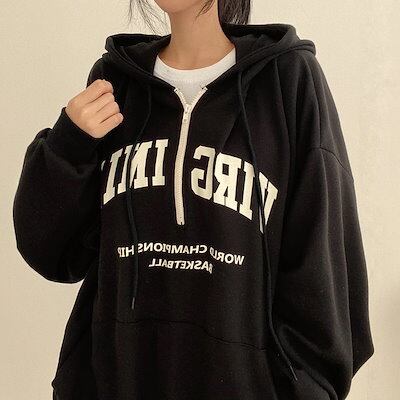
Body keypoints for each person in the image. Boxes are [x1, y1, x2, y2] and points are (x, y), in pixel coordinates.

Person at [13, 1, 374, 399]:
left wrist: (304, 388)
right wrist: (69, 145)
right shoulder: (116, 83)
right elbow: (52, 253)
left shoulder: (287, 79)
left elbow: (324, 259)